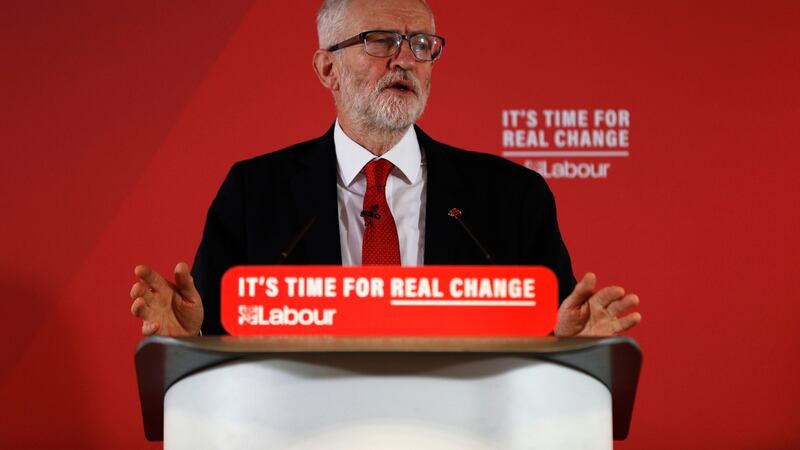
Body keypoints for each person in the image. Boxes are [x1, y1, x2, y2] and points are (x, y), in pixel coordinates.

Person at [129, 0, 641, 338]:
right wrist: (189, 337)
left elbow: (557, 325)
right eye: (379, 41)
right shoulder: (254, 191)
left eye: (421, 45)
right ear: (327, 67)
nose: (404, 60)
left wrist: (577, 344)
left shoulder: (511, 195)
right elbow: (213, 326)